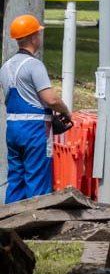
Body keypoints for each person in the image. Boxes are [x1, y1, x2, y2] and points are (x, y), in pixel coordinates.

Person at [2, 15, 72, 203]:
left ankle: (10, 224)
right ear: (33, 37)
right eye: (38, 34)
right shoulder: (34, 65)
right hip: (35, 130)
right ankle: (36, 226)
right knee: (37, 178)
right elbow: (50, 99)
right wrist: (65, 110)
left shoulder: (5, 67)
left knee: (16, 178)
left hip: (13, 128)